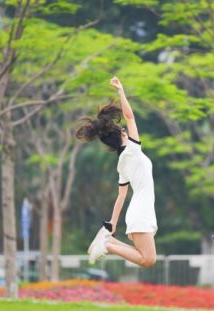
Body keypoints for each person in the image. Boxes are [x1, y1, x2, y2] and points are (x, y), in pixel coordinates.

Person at [75, 76, 158, 268]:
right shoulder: (133, 150)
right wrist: (121, 91)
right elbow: (130, 117)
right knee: (148, 259)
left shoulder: (122, 162)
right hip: (141, 212)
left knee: (146, 258)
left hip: (138, 211)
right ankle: (108, 244)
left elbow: (121, 196)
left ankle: (108, 242)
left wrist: (111, 225)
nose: (127, 131)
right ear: (122, 134)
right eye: (124, 130)